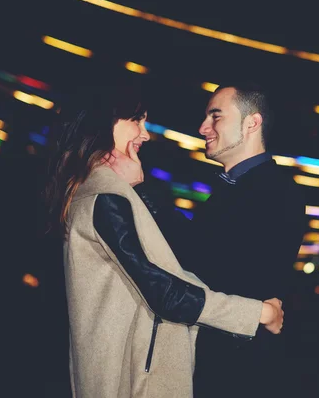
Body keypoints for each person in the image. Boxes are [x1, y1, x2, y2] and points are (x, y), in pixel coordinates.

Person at [43, 83, 285, 398]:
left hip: (127, 372)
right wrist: (259, 314)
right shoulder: (105, 196)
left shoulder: (94, 190)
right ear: (106, 122)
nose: (145, 134)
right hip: (129, 380)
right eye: (136, 121)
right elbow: (164, 291)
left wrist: (136, 188)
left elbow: (181, 261)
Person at [115, 82, 306, 397]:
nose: (203, 127)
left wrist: (141, 189)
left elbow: (203, 263)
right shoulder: (240, 188)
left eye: (216, 117)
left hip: (234, 371)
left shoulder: (276, 192)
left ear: (252, 123)